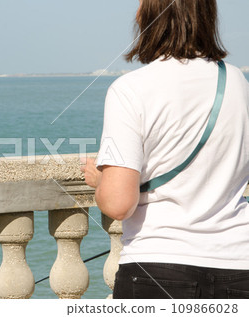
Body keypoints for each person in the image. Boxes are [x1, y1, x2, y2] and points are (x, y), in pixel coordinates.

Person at [81, 0, 249, 299]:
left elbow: (119, 204)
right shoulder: (238, 82)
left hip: (158, 266)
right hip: (239, 265)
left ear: (146, 16)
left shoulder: (130, 89)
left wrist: (102, 181)